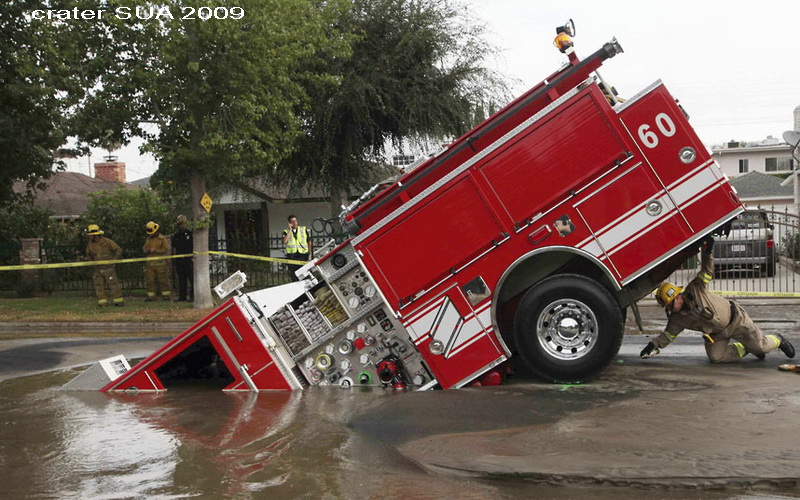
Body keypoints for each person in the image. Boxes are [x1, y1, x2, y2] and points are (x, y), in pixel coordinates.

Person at [641, 235, 795, 363]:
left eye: (670, 304)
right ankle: (747, 348)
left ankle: (777, 339)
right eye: (667, 306)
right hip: (717, 334)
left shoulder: (695, 289)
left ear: (678, 296)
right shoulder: (676, 319)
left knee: (762, 347)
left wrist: (708, 252)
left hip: (736, 320)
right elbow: (668, 335)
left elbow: (707, 271)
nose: (669, 308)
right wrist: (653, 346)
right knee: (716, 358)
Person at [85, 224, 124, 307]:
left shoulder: (107, 241)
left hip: (108, 269)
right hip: (97, 269)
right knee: (99, 286)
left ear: (95, 235)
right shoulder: (90, 245)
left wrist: (114, 260)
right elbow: (88, 254)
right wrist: (92, 262)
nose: (89, 237)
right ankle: (102, 303)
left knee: (113, 285)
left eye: (90, 235)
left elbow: (118, 250)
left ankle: (118, 301)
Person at [143, 221, 171, 301]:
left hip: (160, 263)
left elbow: (166, 249)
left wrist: (156, 250)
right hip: (150, 264)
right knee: (150, 281)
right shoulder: (148, 239)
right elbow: (144, 249)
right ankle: (151, 297)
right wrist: (147, 250)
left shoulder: (162, 239)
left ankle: (166, 296)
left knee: (163, 280)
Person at [282, 214, 311, 282]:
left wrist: (308, 252)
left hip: (302, 255)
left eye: (295, 221)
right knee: (294, 274)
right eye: (292, 221)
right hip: (292, 256)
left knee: (304, 273)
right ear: (289, 223)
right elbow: (285, 241)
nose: (294, 223)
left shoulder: (303, 229)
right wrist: (290, 230)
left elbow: (309, 241)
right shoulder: (286, 231)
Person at [172, 214, 193, 302]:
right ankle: (182, 296)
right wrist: (174, 259)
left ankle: (193, 296)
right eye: (180, 224)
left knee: (192, 278)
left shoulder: (191, 234)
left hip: (189, 259)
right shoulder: (176, 236)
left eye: (183, 224)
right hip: (179, 260)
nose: (182, 226)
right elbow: (174, 248)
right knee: (181, 279)